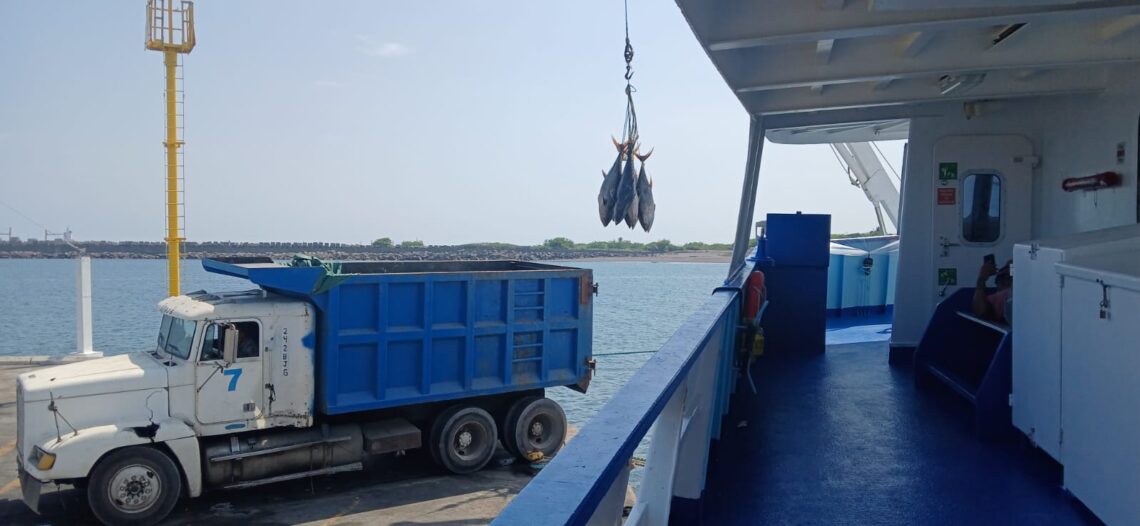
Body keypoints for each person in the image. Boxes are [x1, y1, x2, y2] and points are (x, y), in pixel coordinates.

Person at [972, 257, 1012, 324]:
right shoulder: (998, 299)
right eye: (1002, 279)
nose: (1006, 282)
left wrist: (981, 279)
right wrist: (981, 279)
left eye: (1010, 279)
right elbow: (981, 312)